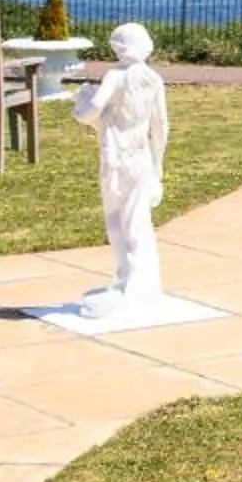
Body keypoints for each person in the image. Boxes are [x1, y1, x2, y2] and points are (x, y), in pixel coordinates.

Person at [69, 21, 171, 316]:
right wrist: (157, 166)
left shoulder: (114, 77)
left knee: (117, 221)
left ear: (118, 48)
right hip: (141, 158)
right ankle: (138, 282)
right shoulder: (153, 79)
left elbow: (92, 112)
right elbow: (161, 126)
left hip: (116, 158)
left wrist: (82, 102)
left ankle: (129, 280)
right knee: (138, 221)